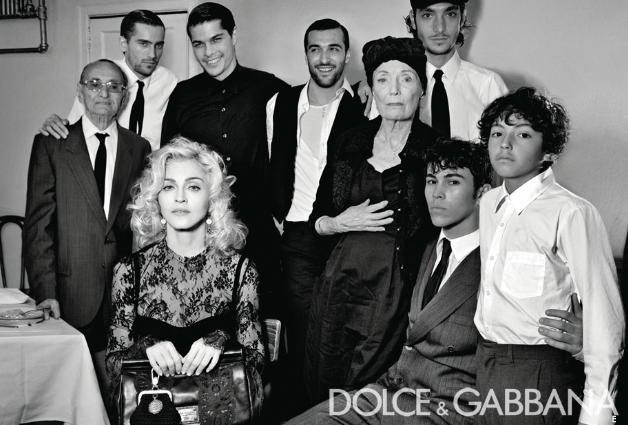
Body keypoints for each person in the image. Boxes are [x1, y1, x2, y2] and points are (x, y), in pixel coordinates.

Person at [288, 139, 584, 424]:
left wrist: (583, 345)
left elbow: (540, 353)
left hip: (450, 408)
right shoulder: (425, 247)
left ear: (482, 193)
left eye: (452, 181)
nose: (437, 193)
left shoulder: (503, 260)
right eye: (431, 181)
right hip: (389, 392)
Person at [475, 87, 624, 424]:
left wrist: (597, 416)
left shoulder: (571, 212)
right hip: (487, 364)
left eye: (523, 134)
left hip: (540, 372)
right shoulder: (488, 204)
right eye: (497, 133)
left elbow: (605, 320)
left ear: (549, 151)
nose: (505, 144)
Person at [303, 36, 439, 404]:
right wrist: (340, 222)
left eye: (406, 79)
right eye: (383, 79)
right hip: (339, 285)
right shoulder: (350, 141)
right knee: (326, 381)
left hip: (396, 292)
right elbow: (316, 220)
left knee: (373, 393)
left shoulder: (435, 149)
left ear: (422, 89)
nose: (394, 90)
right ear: (372, 89)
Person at [105, 137, 265, 412]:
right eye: (168, 186)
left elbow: (257, 365)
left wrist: (221, 340)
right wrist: (145, 347)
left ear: (212, 199)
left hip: (220, 413)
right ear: (157, 198)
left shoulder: (240, 270)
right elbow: (112, 365)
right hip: (153, 415)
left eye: (193, 186)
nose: (180, 197)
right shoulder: (129, 271)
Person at [23, 59, 152, 391]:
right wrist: (45, 292)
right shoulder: (52, 144)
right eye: (94, 84)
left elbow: (145, 224)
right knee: (71, 391)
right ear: (79, 91)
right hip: (70, 294)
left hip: (123, 298)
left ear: (124, 96)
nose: (104, 93)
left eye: (113, 86)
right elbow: (38, 227)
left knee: (121, 390)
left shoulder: (139, 148)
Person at [161, 2, 289, 316]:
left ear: (234, 36)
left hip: (260, 231)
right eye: (198, 44)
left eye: (216, 39)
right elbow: (166, 164)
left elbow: (309, 128)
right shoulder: (181, 96)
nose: (208, 52)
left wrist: (361, 88)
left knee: (261, 321)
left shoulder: (270, 89)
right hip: (201, 234)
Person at [265, 18, 366, 412]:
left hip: (346, 232)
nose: (324, 58)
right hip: (297, 235)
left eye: (334, 49)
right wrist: (278, 212)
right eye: (315, 49)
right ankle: (309, 413)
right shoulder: (280, 103)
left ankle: (340, 411)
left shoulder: (363, 105)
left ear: (347, 55)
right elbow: (274, 160)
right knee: (305, 331)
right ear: (306, 54)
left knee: (342, 330)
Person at [362, 0, 508, 141]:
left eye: (450, 14)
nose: (439, 28)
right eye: (428, 15)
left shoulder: (489, 85)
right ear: (413, 19)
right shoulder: (390, 87)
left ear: (463, 17)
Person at [40, 9, 178, 150]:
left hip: (152, 162)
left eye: (158, 45)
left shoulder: (169, 81)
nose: (153, 54)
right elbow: (73, 129)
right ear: (123, 43)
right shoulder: (100, 78)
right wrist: (55, 125)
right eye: (144, 44)